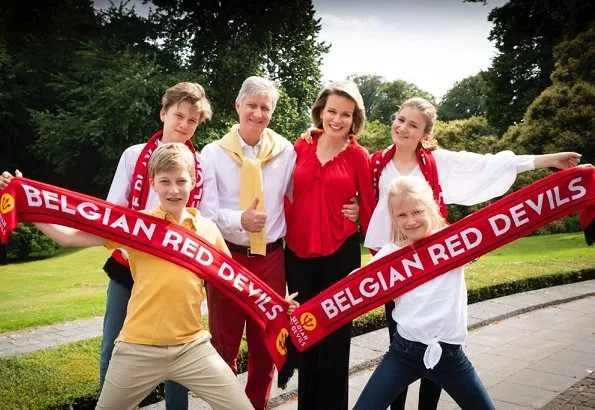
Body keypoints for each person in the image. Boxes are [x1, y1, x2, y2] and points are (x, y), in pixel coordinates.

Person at [4, 144, 300, 409]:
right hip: (137, 349)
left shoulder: (208, 230)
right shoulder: (134, 226)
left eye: (181, 181)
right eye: (165, 182)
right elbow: (68, 237)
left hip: (193, 348)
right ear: (153, 184)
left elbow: (237, 284)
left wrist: (275, 304)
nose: (174, 189)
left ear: (193, 182)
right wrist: (23, 202)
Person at [365, 97, 581, 410]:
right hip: (393, 266)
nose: (402, 127)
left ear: (425, 135)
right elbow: (354, 191)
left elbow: (487, 165)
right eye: (400, 119)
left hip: (437, 259)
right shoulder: (376, 163)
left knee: (438, 342)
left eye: (413, 124)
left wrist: (547, 160)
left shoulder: (436, 162)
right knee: (402, 343)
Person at [99, 82, 218, 407]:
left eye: (192, 121)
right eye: (179, 115)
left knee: (178, 353)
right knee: (114, 345)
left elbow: (205, 219)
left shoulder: (201, 165)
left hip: (176, 272)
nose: (184, 125)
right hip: (129, 267)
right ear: (163, 113)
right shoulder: (134, 155)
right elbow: (112, 209)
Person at [353, 176, 495, 410]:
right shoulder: (390, 256)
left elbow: (503, 223)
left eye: (417, 211)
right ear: (393, 219)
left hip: (450, 357)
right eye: (402, 215)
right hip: (403, 354)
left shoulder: (455, 242)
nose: (411, 221)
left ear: (431, 207)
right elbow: (351, 288)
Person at [283, 80, 375, 410]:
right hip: (297, 255)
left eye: (346, 114)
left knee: (336, 339)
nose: (337, 120)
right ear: (320, 111)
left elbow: (371, 210)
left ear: (355, 120)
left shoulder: (358, 156)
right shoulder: (300, 146)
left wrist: (357, 214)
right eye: (332, 111)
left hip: (341, 255)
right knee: (305, 335)